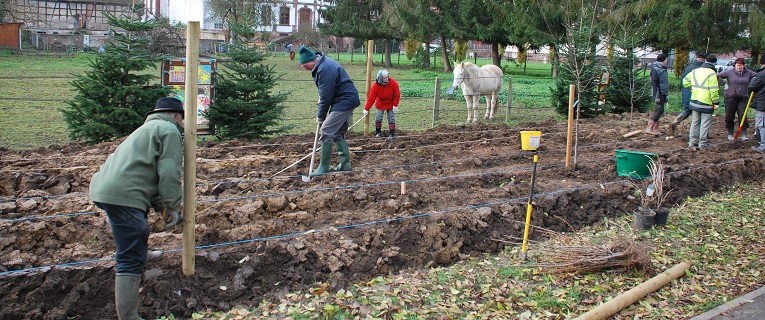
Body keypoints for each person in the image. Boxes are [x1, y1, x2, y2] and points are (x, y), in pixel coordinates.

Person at [89, 97, 185, 320]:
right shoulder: (168, 130)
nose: (182, 125)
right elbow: (169, 173)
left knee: (136, 232)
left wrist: (161, 207)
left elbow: (144, 175)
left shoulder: (147, 128)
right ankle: (129, 316)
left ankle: (140, 253)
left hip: (109, 188)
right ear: (176, 116)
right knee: (130, 252)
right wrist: (173, 206)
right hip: (124, 194)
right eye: (182, 120)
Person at [299, 45, 360, 176]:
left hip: (344, 100)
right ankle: (345, 164)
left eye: (305, 66)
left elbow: (326, 97)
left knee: (326, 129)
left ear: (312, 60)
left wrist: (320, 116)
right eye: (302, 66)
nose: (305, 68)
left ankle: (323, 167)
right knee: (338, 132)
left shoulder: (324, 69)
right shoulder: (322, 64)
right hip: (345, 99)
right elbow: (326, 92)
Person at [683, 55, 721, 150]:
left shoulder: (695, 71)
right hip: (706, 103)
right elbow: (713, 90)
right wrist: (716, 102)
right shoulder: (712, 73)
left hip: (695, 101)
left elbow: (685, 82)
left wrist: (692, 88)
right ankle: (703, 143)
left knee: (695, 122)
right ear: (714, 64)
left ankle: (692, 142)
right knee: (705, 123)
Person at [669, 52, 708, 136]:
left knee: (687, 110)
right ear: (705, 59)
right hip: (699, 94)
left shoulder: (688, 68)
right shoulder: (704, 70)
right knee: (701, 113)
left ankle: (675, 123)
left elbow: (683, 82)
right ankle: (702, 133)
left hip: (686, 92)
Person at [718, 57, 756, 141]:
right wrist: (724, 84)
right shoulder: (729, 72)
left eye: (741, 65)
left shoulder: (749, 73)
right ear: (735, 65)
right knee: (729, 115)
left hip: (743, 97)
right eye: (737, 65)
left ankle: (743, 134)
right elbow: (718, 76)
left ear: (744, 66)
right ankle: (730, 133)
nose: (739, 67)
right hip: (730, 97)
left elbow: (757, 77)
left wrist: (753, 85)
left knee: (743, 116)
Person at [364, 69, 401, 139]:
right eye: (385, 78)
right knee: (378, 118)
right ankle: (378, 133)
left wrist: (395, 105)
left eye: (387, 77)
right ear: (380, 79)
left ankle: (392, 134)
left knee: (391, 118)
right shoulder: (375, 86)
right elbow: (371, 98)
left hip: (391, 103)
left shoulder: (393, 83)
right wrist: (366, 109)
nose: (387, 79)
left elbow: (397, 95)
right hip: (380, 103)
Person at [646, 53, 669, 135]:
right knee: (660, 110)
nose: (667, 61)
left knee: (658, 110)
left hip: (663, 92)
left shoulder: (663, 69)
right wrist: (657, 96)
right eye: (666, 59)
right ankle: (649, 128)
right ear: (662, 60)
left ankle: (655, 129)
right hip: (658, 93)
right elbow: (654, 84)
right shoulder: (656, 69)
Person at [747, 55, 765, 153]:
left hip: (762, 104)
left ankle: (763, 146)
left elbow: (752, 86)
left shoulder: (762, 74)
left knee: (761, 125)